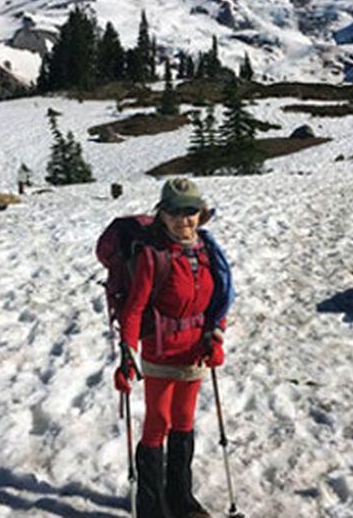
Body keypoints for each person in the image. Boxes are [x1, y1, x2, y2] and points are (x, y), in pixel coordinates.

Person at [113, 178, 228, 518]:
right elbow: (133, 308)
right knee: (158, 421)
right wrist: (126, 355)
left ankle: (181, 498)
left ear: (201, 213)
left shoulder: (208, 251)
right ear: (162, 214)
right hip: (160, 351)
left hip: (195, 351)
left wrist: (216, 337)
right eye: (176, 212)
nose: (184, 219)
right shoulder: (153, 255)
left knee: (183, 420)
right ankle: (152, 507)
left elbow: (217, 304)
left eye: (191, 211)